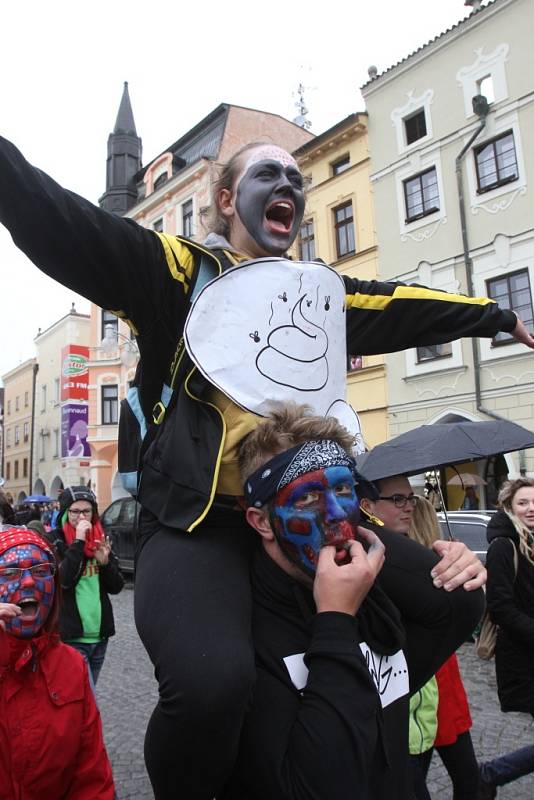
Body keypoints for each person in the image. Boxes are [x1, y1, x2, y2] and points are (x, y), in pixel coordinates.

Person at [0, 134, 528, 799]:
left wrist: (496, 314)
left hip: (309, 518)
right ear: (225, 200)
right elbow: (67, 225)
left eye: (297, 176)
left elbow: (397, 306)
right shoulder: (178, 273)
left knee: (458, 598)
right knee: (210, 686)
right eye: (268, 173)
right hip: (199, 525)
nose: (290, 184)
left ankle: (350, 702)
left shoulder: (316, 294)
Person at [219, 403, 485, 799]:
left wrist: (460, 569)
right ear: (261, 522)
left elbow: (459, 607)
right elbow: (316, 786)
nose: (337, 517)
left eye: (344, 490)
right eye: (307, 499)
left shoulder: (376, 602)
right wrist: (336, 618)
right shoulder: (242, 640)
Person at [0, 525, 115, 799]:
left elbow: (91, 777)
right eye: (10, 573)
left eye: (41, 571)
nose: (28, 583)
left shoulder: (72, 667)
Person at [408, 497, 480, 800]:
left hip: (437, 685)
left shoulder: (438, 564)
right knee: (465, 779)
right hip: (433, 684)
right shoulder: (426, 567)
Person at [479, 478, 534, 798]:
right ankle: (490, 773)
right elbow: (500, 607)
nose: (531, 508)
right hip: (523, 659)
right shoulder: (504, 545)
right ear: (510, 507)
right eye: (523, 503)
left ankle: (490, 774)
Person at [48, 486, 124, 685]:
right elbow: (64, 581)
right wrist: (79, 541)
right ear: (65, 512)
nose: (81, 517)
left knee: (84, 702)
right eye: (75, 511)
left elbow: (116, 587)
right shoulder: (55, 540)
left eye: (86, 511)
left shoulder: (101, 539)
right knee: (87, 701)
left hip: (99, 636)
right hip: (71, 637)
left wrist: (105, 564)